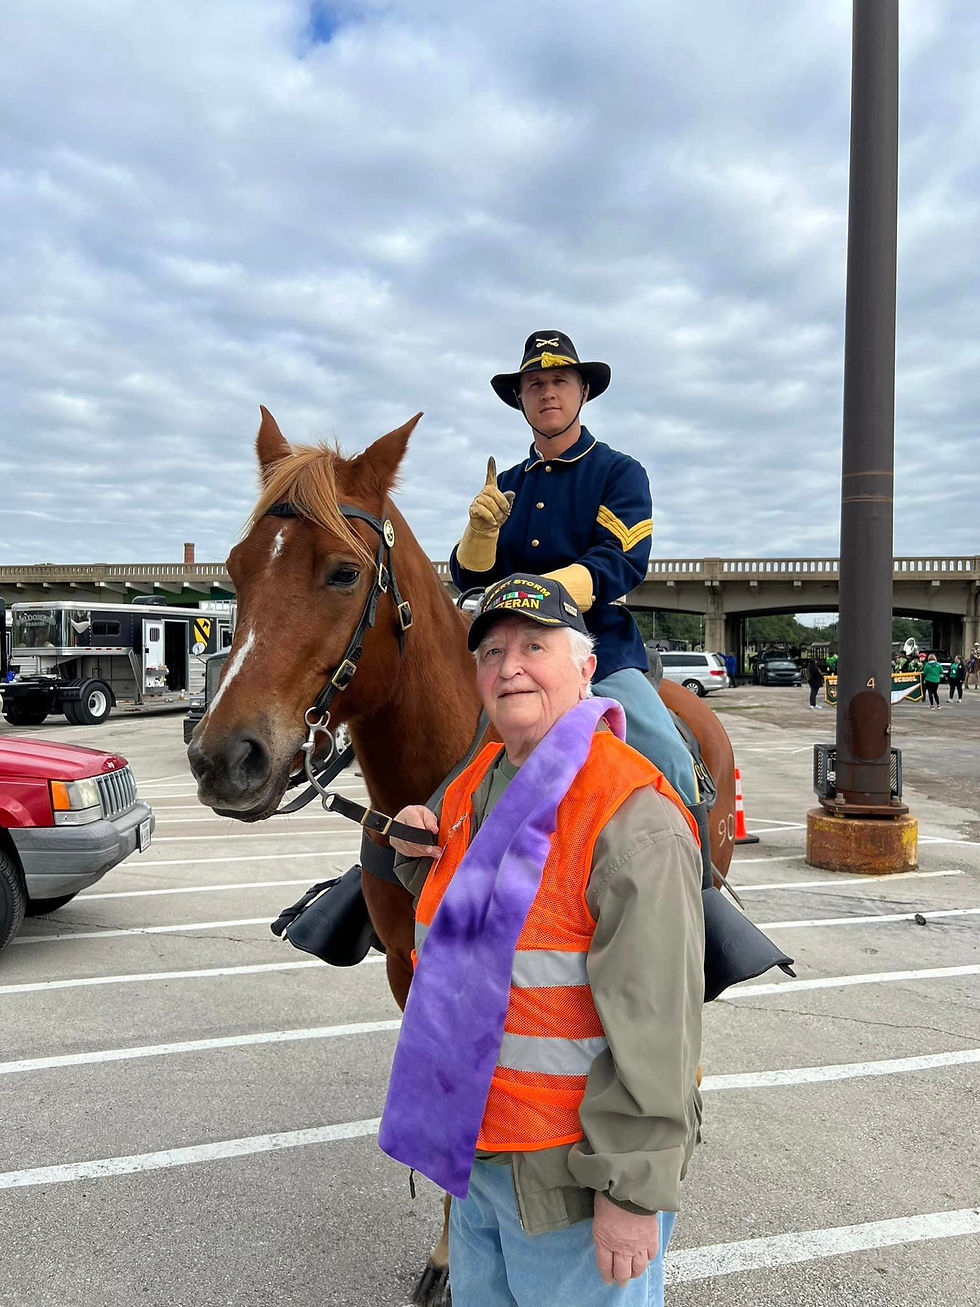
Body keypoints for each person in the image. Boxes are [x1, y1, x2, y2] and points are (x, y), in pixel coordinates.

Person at [381, 573, 704, 1307]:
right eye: (491, 652)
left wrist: (631, 1188)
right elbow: (482, 925)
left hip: (568, 1179)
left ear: (585, 667)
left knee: (674, 750)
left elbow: (660, 1028)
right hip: (480, 1153)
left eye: (535, 646)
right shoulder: (472, 784)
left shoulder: (632, 818)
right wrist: (419, 856)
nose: (509, 667)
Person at [449, 331, 697, 807]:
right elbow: (470, 580)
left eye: (560, 381)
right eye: (535, 384)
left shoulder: (618, 472)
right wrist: (480, 533)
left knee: (668, 758)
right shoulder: (506, 484)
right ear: (520, 399)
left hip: (597, 647)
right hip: (504, 649)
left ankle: (690, 851)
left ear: (583, 391)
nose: (547, 393)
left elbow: (620, 560)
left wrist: (531, 593)